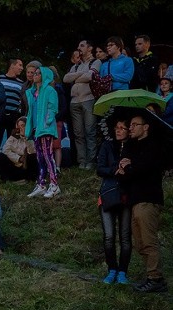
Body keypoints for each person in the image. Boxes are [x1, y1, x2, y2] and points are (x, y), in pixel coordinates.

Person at [116, 114, 167, 293]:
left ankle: (156, 278)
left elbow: (144, 168)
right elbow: (122, 171)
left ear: (145, 127)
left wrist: (130, 166)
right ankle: (151, 277)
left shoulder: (154, 146)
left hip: (149, 198)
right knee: (139, 242)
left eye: (135, 125)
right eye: (130, 125)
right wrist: (130, 167)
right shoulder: (130, 145)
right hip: (134, 199)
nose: (131, 128)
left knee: (148, 240)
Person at [96, 119, 131, 285]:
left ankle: (123, 271)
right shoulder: (107, 146)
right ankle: (112, 269)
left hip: (126, 195)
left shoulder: (133, 147)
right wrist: (115, 169)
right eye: (117, 127)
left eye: (123, 128)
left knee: (125, 236)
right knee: (109, 236)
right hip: (109, 193)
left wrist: (128, 166)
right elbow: (100, 168)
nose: (119, 130)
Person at [63, 40, 101, 170]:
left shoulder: (95, 62)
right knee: (78, 133)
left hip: (88, 99)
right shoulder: (77, 66)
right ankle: (82, 161)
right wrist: (80, 74)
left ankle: (91, 161)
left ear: (90, 48)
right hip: (74, 101)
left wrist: (75, 77)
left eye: (82, 46)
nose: (79, 48)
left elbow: (90, 76)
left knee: (90, 131)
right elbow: (65, 78)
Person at [25, 66, 61, 198]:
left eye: (38, 73)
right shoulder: (32, 92)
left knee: (47, 155)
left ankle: (54, 184)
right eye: (34, 73)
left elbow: (52, 108)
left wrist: (47, 122)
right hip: (36, 129)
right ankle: (41, 184)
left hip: (45, 129)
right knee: (39, 157)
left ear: (45, 75)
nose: (35, 75)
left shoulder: (50, 90)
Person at [0, 58, 25, 164]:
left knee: (13, 143)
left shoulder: (21, 83)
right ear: (12, 66)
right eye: (20, 65)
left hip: (13, 116)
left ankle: (11, 165)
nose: (22, 68)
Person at [0, 117, 37, 182]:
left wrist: (26, 136)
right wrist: (18, 158)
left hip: (27, 166)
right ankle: (6, 179)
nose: (21, 128)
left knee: (33, 157)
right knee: (0, 156)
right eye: (19, 126)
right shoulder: (14, 137)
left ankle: (31, 179)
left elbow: (32, 151)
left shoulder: (33, 137)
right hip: (16, 164)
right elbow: (5, 150)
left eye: (23, 126)